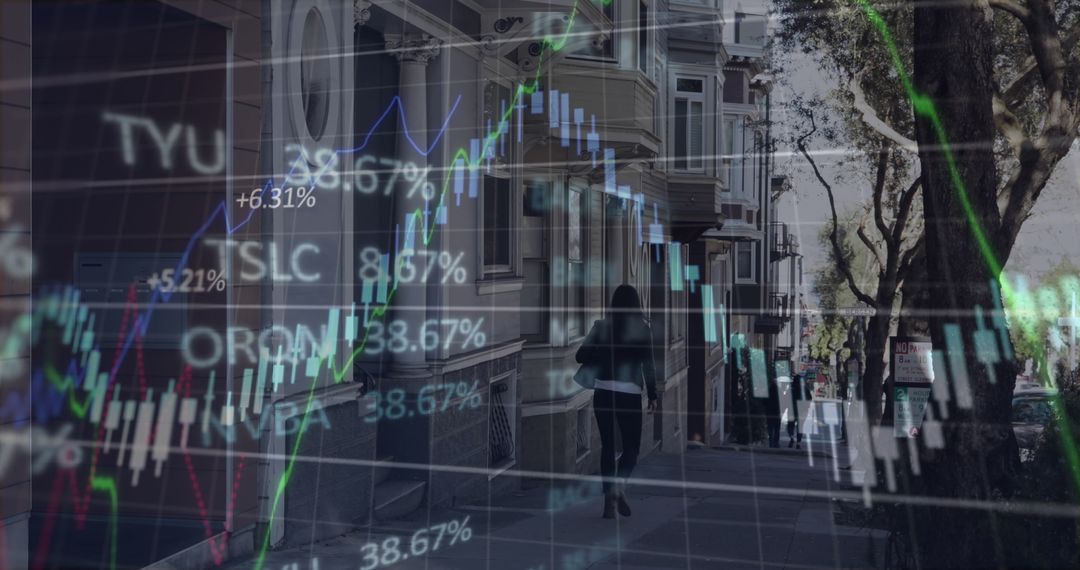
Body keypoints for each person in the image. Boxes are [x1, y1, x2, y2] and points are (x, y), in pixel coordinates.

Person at [575, 284, 658, 519]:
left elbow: (580, 356)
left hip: (603, 391)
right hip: (629, 393)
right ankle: (619, 486)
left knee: (608, 446)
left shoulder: (601, 327)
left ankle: (608, 504)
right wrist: (653, 395)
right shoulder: (642, 329)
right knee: (632, 446)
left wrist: (601, 350)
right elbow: (648, 365)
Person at [786, 374, 804, 449]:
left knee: (790, 426)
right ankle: (798, 443)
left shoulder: (790, 389)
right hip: (801, 411)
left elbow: (786, 399)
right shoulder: (803, 389)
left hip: (791, 410)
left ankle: (791, 438)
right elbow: (809, 398)